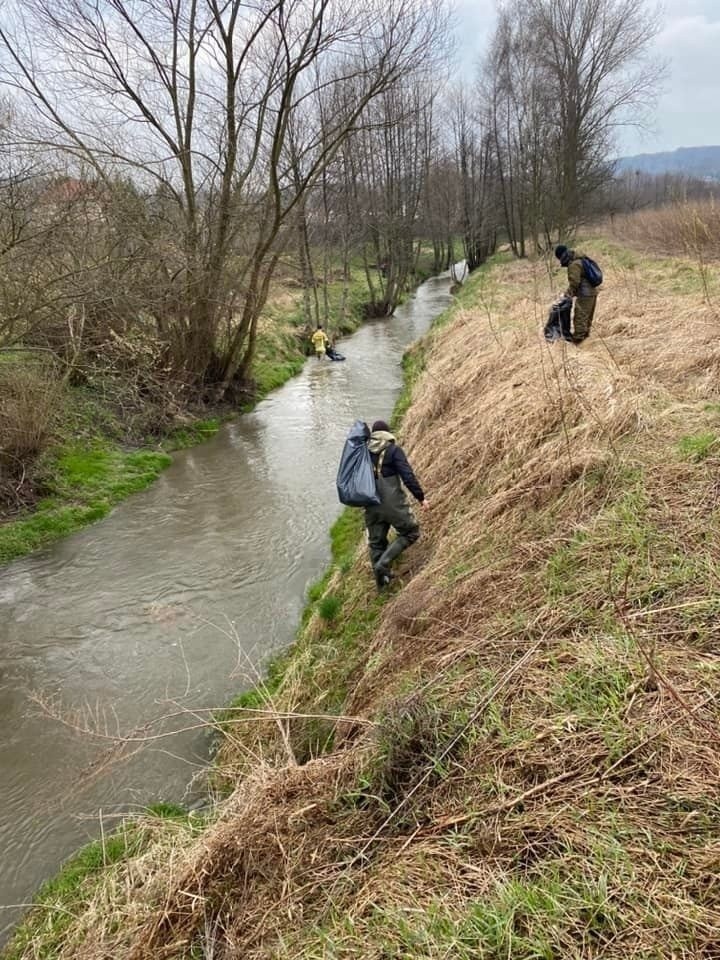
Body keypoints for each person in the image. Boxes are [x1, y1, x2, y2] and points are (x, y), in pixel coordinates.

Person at [365, 419, 429, 590]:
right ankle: (383, 564)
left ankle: (381, 586)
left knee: (376, 543)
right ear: (387, 434)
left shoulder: (363, 452)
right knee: (411, 532)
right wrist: (420, 497)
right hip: (392, 504)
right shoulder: (393, 450)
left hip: (370, 504)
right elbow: (407, 475)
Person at [554, 245, 600, 343]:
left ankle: (579, 343)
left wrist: (566, 295)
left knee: (580, 318)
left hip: (585, 295)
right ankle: (586, 341)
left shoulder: (574, 265)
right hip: (592, 293)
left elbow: (574, 283)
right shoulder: (581, 259)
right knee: (587, 319)